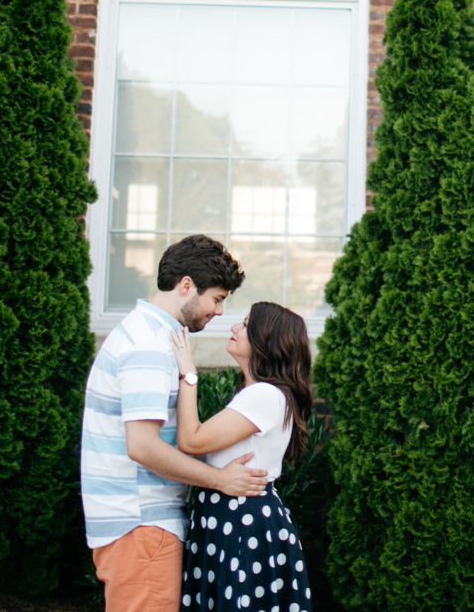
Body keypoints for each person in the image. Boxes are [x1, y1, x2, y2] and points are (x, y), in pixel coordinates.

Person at [82, 235, 270, 612]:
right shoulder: (149, 344)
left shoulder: (148, 334)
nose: (219, 312)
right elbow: (142, 446)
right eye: (217, 299)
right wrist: (220, 480)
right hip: (140, 523)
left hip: (137, 523)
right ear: (186, 285)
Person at [172, 300, 314, 612]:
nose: (235, 328)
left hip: (241, 520)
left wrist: (189, 375)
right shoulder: (258, 394)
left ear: (266, 340)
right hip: (234, 516)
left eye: (247, 325)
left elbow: (191, 440)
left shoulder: (264, 395)